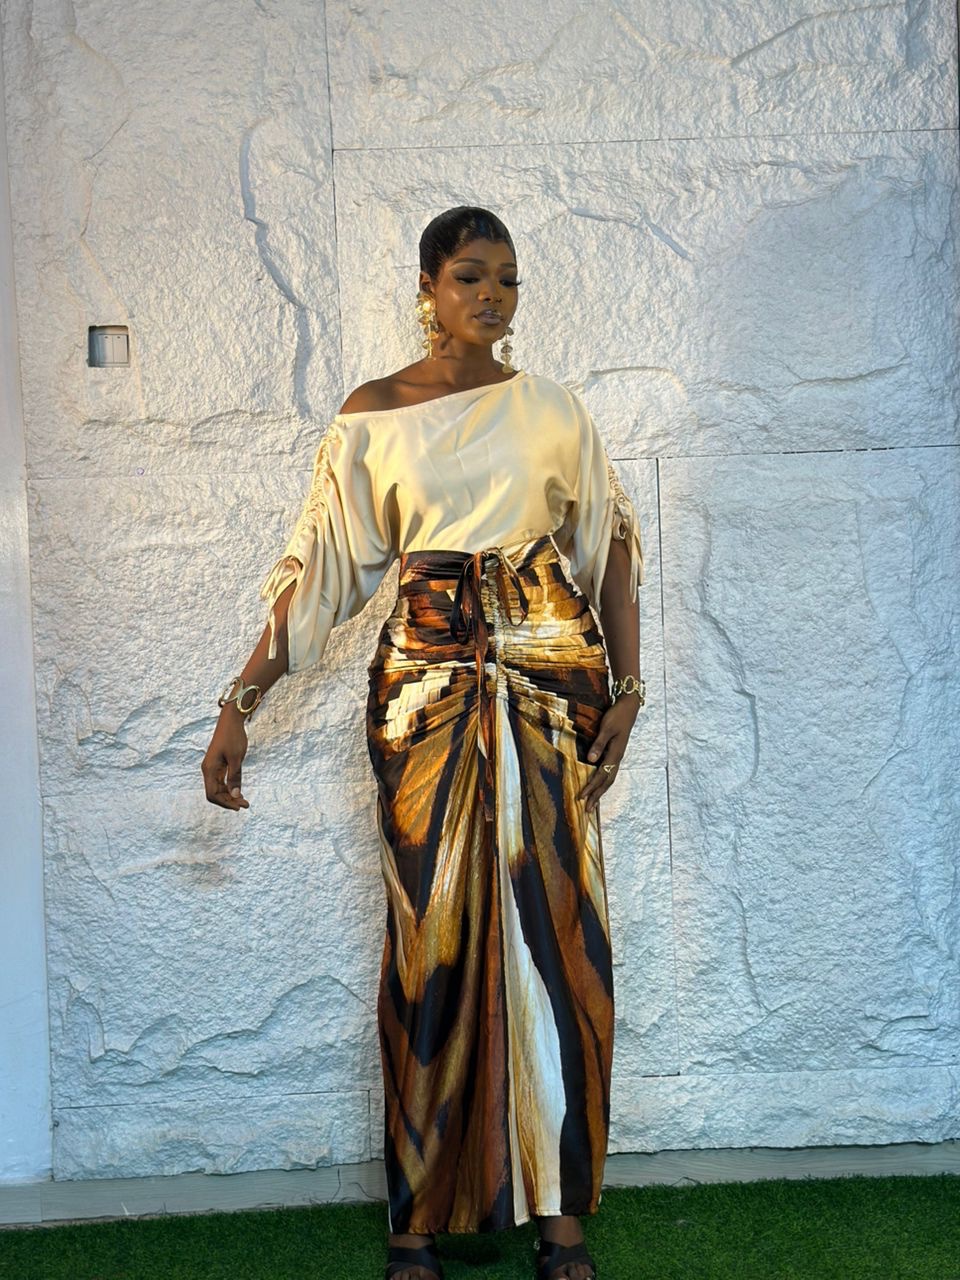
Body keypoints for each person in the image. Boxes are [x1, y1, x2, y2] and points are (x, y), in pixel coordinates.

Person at [202, 207, 645, 1280]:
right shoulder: (373, 417)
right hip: (425, 692)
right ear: (429, 289)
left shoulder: (554, 411)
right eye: (470, 276)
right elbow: (320, 575)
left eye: (508, 279)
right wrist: (240, 701)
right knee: (430, 935)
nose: (491, 295)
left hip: (552, 683)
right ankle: (416, 1217)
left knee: (558, 933)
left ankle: (559, 1214)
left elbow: (611, 547)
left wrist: (627, 691)